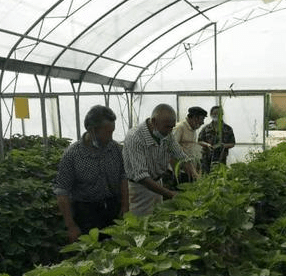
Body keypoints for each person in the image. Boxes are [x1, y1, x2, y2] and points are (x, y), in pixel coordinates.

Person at [54, 105, 128, 243]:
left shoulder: (116, 149)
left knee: (116, 248)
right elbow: (62, 192)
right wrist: (71, 226)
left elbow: (123, 177)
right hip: (86, 213)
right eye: (107, 133)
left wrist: (124, 206)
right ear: (92, 130)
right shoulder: (73, 155)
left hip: (113, 210)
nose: (110, 138)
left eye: (112, 132)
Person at [122, 103, 198, 216]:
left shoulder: (167, 133)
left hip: (157, 184)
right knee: (139, 225)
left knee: (157, 219)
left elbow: (179, 154)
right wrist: (171, 194)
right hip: (140, 189)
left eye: (172, 127)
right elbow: (142, 177)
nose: (170, 131)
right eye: (167, 127)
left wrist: (191, 170)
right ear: (154, 122)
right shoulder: (135, 138)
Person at [172, 106, 207, 182]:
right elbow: (172, 148)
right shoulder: (180, 128)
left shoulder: (193, 129)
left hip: (189, 170)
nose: (203, 122)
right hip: (180, 170)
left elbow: (189, 146)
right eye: (202, 119)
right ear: (194, 118)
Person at [198, 105, 236, 174]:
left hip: (221, 158)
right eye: (214, 114)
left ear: (222, 115)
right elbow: (200, 140)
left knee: (219, 176)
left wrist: (224, 145)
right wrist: (207, 145)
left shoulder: (228, 128)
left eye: (219, 114)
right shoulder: (206, 128)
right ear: (211, 115)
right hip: (206, 159)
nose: (216, 115)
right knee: (206, 177)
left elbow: (232, 143)